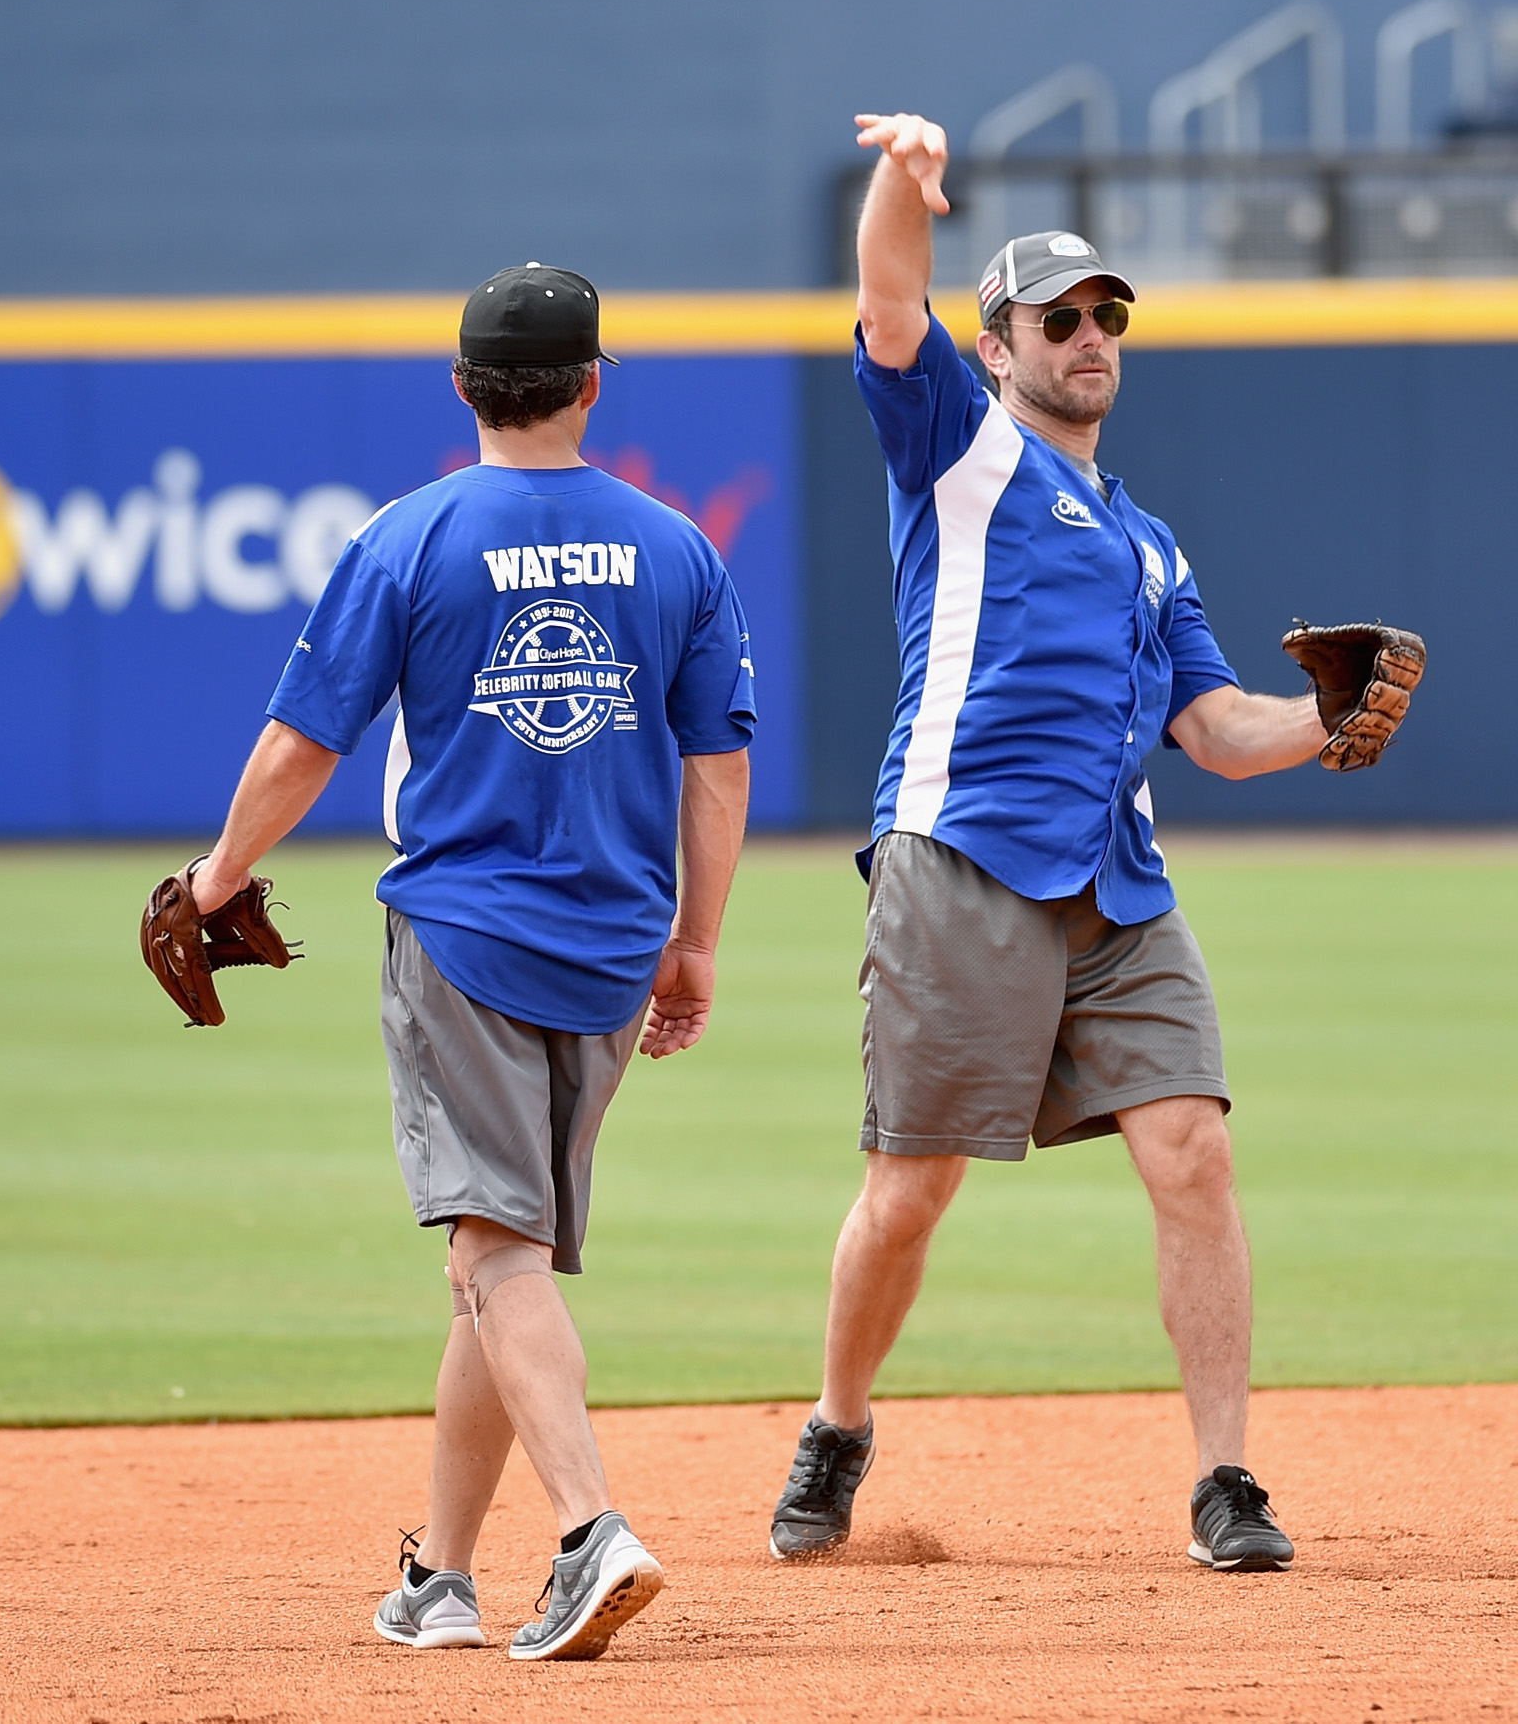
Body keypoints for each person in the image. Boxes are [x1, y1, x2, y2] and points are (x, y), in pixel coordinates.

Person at [767, 114, 1414, 1576]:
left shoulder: (1150, 540)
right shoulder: (958, 448)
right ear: (995, 345)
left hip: (1117, 881)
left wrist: (1333, 718)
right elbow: (882, 302)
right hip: (960, 858)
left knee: (1192, 1151)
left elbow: (1219, 728)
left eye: (1107, 313)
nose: (1090, 334)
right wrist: (903, 184)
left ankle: (1227, 1480)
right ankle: (838, 1423)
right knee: (912, 1187)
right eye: (1059, 316)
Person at [169, 263, 755, 1662]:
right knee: (503, 1259)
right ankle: (439, 1573)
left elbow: (306, 741)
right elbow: (719, 769)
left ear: (460, 389)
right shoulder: (677, 547)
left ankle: (589, 1530)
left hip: (469, 935)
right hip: (616, 943)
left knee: (494, 1251)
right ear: (593, 384)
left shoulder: (410, 536)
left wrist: (218, 878)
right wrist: (696, 946)